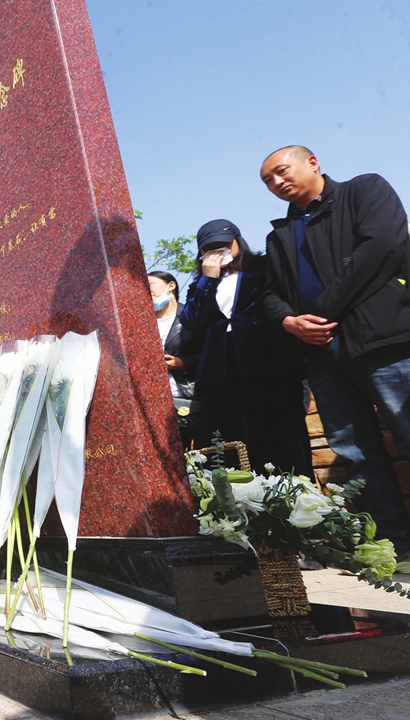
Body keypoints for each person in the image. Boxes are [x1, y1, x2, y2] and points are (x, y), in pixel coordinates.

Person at [260, 145, 410, 559]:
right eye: (268, 181)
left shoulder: (364, 190)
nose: (276, 183)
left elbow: (383, 247)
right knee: (357, 456)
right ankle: (397, 549)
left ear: (313, 162)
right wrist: (289, 322)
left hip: (383, 340)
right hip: (323, 359)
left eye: (281, 171)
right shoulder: (279, 235)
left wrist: (320, 312)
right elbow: (270, 294)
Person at [180, 219, 311, 473]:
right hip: (220, 372)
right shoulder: (200, 284)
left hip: (266, 364)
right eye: (211, 247)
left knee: (278, 437)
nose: (219, 251)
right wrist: (208, 279)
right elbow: (192, 321)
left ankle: (291, 497)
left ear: (238, 241)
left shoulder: (262, 267)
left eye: (224, 244)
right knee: (226, 442)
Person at [148, 271, 202, 449]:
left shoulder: (191, 320)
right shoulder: (141, 322)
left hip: (182, 398)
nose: (146, 290)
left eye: (150, 284)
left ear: (171, 286)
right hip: (149, 400)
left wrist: (183, 363)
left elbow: (209, 354)